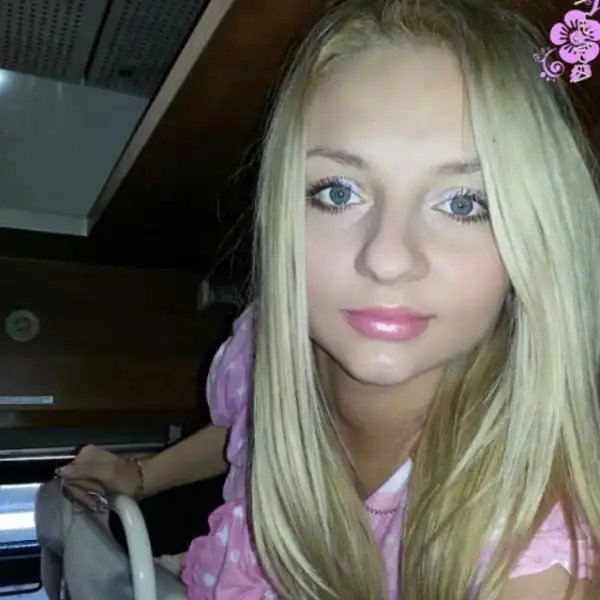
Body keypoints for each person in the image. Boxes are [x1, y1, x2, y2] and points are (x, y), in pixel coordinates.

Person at [178, 0, 600, 599]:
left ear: (534, 245)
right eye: (337, 192)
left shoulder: (530, 559)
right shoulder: (263, 343)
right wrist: (136, 475)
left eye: (463, 203)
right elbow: (249, 430)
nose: (387, 258)